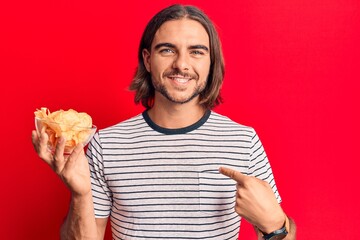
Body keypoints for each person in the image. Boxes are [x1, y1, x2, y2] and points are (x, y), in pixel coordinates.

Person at [32, 4, 296, 240]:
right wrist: (80, 195)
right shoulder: (106, 144)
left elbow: (280, 233)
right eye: (167, 49)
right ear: (148, 59)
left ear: (210, 62)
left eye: (196, 52)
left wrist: (273, 223)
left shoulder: (243, 142)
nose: (181, 64)